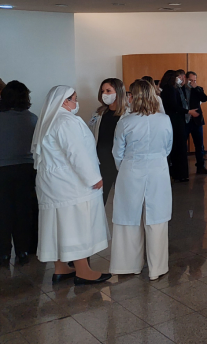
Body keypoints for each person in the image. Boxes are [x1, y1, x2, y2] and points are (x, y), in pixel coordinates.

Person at [31, 86, 111, 285]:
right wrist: (93, 178)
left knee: (59, 225)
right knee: (76, 225)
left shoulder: (49, 120)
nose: (76, 102)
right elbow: (77, 153)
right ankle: (83, 271)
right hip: (71, 185)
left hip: (53, 185)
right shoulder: (66, 121)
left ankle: (61, 268)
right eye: (74, 98)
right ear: (65, 101)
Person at [110, 79, 173, 281]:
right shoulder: (164, 119)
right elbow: (168, 147)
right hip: (158, 170)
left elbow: (117, 152)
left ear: (133, 97)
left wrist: (125, 167)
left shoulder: (125, 122)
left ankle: (128, 264)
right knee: (157, 217)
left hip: (131, 169)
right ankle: (157, 267)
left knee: (129, 216)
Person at [0, 81, 38, 265]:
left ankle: (4, 253)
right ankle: (23, 251)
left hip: (2, 170)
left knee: (3, 212)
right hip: (26, 169)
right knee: (24, 211)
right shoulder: (33, 119)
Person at [88, 78, 128, 204]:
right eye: (103, 91)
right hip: (102, 161)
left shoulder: (128, 114)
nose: (105, 94)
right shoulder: (98, 113)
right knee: (99, 198)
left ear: (118, 92)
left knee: (124, 198)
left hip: (120, 161)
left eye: (108, 91)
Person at [159, 70, 190, 182]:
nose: (179, 79)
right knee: (179, 147)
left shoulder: (167, 89)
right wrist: (188, 111)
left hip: (172, 119)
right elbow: (174, 106)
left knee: (176, 147)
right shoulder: (170, 89)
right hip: (176, 120)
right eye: (177, 77)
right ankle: (180, 174)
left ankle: (177, 173)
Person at [184, 71, 207, 174]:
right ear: (186, 79)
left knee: (199, 145)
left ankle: (200, 166)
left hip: (197, 121)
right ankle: (183, 168)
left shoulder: (198, 89)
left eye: (194, 80)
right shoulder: (182, 89)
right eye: (190, 80)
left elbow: (204, 98)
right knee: (183, 145)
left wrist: (196, 88)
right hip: (185, 120)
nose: (192, 82)